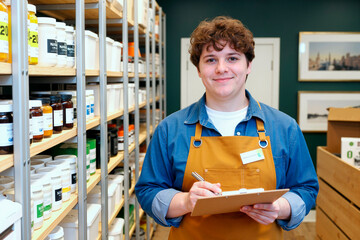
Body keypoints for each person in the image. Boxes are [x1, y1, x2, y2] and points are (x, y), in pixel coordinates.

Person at [135, 16, 319, 239]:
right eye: (211, 60)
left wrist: (280, 208)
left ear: (248, 65)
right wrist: (185, 201)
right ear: (199, 69)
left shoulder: (284, 127)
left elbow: (306, 189)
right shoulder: (170, 129)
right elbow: (148, 191)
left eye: (232, 58)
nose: (221, 68)